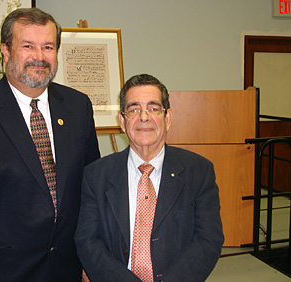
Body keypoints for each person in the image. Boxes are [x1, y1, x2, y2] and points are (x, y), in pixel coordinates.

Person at [0, 8, 100, 282]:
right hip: (4, 272)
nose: (39, 57)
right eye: (28, 46)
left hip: (69, 268)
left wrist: (93, 261)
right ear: (5, 50)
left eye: (48, 47)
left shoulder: (78, 107)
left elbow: (91, 194)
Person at [75, 74, 224, 282]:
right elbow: (87, 240)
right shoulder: (95, 176)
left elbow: (208, 239)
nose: (144, 117)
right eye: (134, 109)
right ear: (122, 121)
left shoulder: (199, 172)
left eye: (153, 108)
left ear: (168, 118)